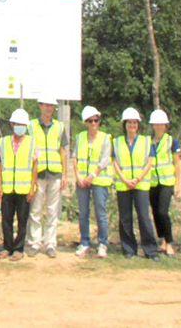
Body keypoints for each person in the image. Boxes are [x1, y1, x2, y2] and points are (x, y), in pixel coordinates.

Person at [111, 108, 159, 260]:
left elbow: (149, 162)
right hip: (123, 185)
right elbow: (115, 163)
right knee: (125, 218)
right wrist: (125, 180)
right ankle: (128, 249)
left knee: (144, 217)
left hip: (141, 185)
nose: (132, 125)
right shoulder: (116, 142)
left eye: (134, 122)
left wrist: (137, 179)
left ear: (138, 124)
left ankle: (150, 250)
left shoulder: (146, 141)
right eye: (129, 122)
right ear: (124, 124)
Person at [28, 95, 69, 259]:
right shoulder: (31, 126)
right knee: (35, 210)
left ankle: (50, 244)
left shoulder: (59, 127)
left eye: (51, 105)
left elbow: (63, 151)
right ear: (40, 106)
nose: (48, 108)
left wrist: (64, 174)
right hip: (37, 174)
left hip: (54, 173)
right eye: (46, 105)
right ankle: (34, 243)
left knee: (52, 211)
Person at [0, 108, 38, 261]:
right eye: (17, 124)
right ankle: (7, 247)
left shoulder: (32, 142)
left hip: (24, 189)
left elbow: (35, 167)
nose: (19, 127)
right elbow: (0, 165)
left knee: (22, 220)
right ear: (12, 124)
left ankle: (18, 249)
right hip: (7, 188)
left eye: (22, 124)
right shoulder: (3, 142)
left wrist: (32, 188)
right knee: (6, 220)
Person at [72, 106, 112, 258]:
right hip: (82, 181)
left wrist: (92, 175)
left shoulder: (105, 138)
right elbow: (75, 157)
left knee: (100, 213)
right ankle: (84, 242)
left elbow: (104, 160)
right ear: (85, 123)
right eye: (90, 121)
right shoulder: (80, 137)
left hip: (99, 180)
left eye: (96, 120)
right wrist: (78, 176)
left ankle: (102, 243)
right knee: (83, 213)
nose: (94, 123)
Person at [147, 109, 181, 257]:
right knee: (155, 212)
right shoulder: (148, 142)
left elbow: (177, 162)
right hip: (152, 182)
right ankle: (162, 240)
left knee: (163, 211)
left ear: (166, 125)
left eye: (161, 124)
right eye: (156, 124)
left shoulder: (171, 141)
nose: (159, 126)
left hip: (167, 182)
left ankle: (170, 242)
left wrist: (178, 183)